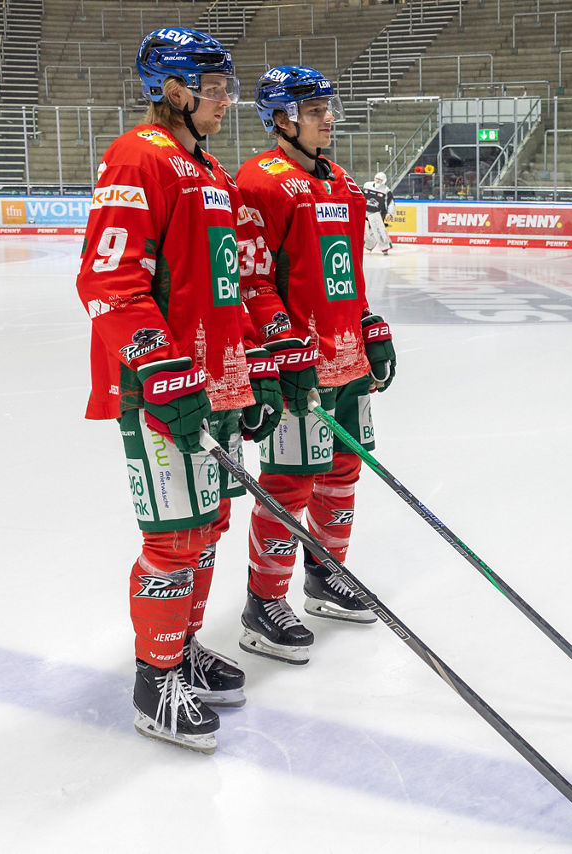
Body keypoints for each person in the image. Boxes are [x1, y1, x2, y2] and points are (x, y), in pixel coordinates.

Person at [76, 27, 286, 754]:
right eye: (215, 88)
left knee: (205, 527)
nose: (227, 100)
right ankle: (154, 680)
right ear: (172, 89)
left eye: (228, 87)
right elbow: (108, 279)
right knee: (171, 538)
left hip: (213, 381)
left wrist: (251, 367)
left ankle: (182, 648)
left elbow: (223, 289)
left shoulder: (209, 169)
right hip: (160, 388)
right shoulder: (137, 156)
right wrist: (159, 368)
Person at [234, 65, 399, 665]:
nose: (328, 118)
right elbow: (251, 279)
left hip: (344, 356)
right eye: (313, 110)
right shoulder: (260, 182)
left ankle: (326, 575)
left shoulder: (344, 183)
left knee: (344, 471)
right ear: (280, 119)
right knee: (290, 481)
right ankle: (264, 602)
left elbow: (347, 274)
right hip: (297, 361)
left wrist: (367, 324)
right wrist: (277, 346)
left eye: (328, 107)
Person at [363, 171, 395, 254]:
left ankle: (385, 247)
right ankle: (369, 245)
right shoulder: (367, 185)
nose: (377, 181)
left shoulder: (386, 190)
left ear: (383, 181)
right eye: (376, 179)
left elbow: (391, 203)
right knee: (366, 231)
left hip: (377, 213)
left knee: (379, 231)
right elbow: (360, 196)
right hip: (365, 211)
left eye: (380, 180)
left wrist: (390, 213)